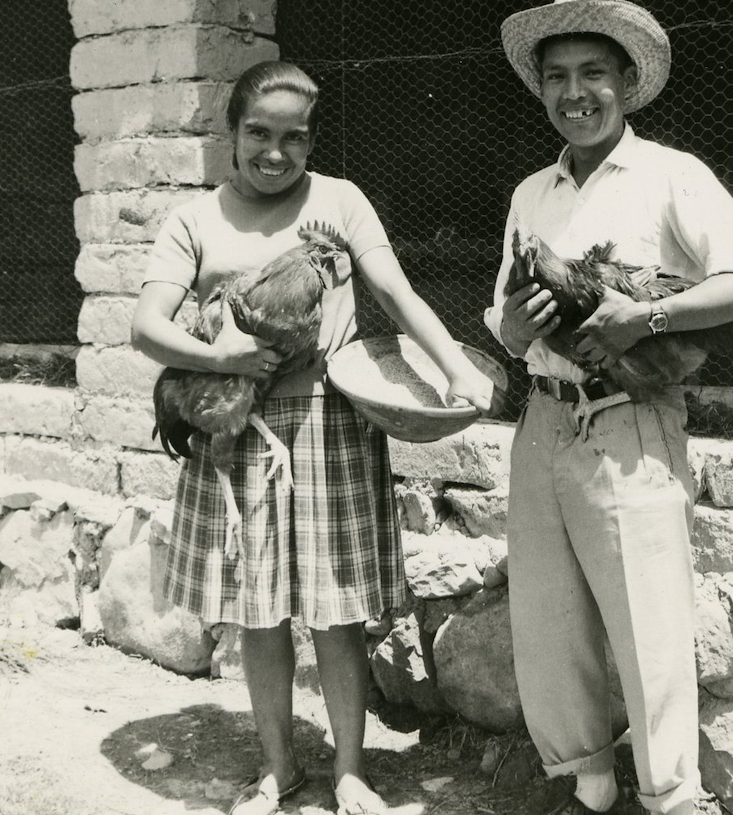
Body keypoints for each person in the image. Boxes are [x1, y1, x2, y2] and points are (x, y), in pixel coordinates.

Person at [131, 60, 497, 815]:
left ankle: (351, 772)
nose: (276, 151)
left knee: (336, 611)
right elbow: (146, 326)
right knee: (258, 612)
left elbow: (395, 291)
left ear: (311, 140)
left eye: (293, 137)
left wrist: (458, 372)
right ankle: (278, 768)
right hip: (237, 431)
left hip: (331, 420)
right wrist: (219, 357)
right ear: (230, 133)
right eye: (259, 133)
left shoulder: (339, 200)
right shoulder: (195, 220)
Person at [485, 0, 733, 815]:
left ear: (625, 81)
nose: (575, 93)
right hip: (542, 417)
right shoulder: (530, 193)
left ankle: (672, 798)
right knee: (549, 621)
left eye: (592, 74)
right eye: (557, 78)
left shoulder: (672, 175)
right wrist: (510, 325)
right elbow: (504, 322)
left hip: (629, 418)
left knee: (647, 626)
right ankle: (587, 785)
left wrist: (642, 317)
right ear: (540, 89)